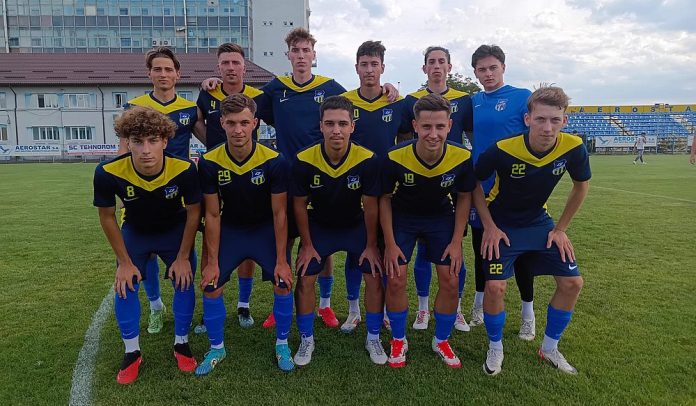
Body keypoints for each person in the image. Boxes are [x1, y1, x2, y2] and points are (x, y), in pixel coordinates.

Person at [476, 86, 590, 376]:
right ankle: (495, 347)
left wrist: (561, 229)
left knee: (572, 283)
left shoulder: (573, 146)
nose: (547, 128)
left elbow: (581, 186)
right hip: (502, 224)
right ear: (528, 119)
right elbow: (473, 184)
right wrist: (489, 226)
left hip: (539, 222)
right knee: (495, 287)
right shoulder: (503, 149)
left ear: (564, 121)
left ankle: (549, 348)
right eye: (540, 119)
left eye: (555, 120)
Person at [94, 106, 201, 384]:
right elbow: (107, 217)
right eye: (137, 141)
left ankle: (181, 343)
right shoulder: (107, 171)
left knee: (184, 279)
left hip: (174, 232)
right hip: (136, 233)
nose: (145, 150)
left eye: (153, 140)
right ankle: (132, 352)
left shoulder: (185, 168)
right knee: (125, 284)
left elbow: (194, 213)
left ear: (165, 141)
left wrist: (183, 257)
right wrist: (124, 262)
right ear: (127, 142)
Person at [196, 94, 295, 374]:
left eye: (244, 122)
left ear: (255, 123)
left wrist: (282, 260)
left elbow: (280, 214)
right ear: (222, 124)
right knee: (211, 283)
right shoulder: (209, 162)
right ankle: (217, 347)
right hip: (232, 230)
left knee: (283, 281)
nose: (238, 130)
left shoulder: (274, 160)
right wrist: (211, 261)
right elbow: (212, 214)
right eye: (231, 123)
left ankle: (282, 344)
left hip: (264, 230)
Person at [381, 93, 476, 368]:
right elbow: (384, 199)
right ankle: (398, 338)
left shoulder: (462, 156)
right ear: (415, 126)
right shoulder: (395, 156)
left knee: (451, 278)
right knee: (395, 277)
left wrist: (456, 241)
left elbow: (464, 197)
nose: (433, 134)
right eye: (426, 127)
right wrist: (389, 243)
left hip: (440, 218)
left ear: (449, 125)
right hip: (403, 218)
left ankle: (441, 339)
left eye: (439, 127)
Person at [292, 95, 385, 366]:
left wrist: (371, 245)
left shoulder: (367, 159)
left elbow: (371, 207)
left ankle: (373, 336)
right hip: (320, 227)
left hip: (355, 225)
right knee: (305, 278)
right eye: (330, 123)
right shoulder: (304, 159)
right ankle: (306, 338)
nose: (336, 130)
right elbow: (299, 205)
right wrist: (307, 244)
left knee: (374, 276)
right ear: (320, 125)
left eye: (342, 124)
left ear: (352, 127)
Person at [118, 47, 203, 335]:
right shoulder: (135, 106)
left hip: (178, 194)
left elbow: (214, 141)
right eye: (157, 69)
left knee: (182, 255)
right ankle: (156, 306)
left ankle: (183, 320)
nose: (163, 74)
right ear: (149, 74)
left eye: (168, 69)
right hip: (141, 192)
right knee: (146, 254)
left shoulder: (190, 109)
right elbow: (123, 151)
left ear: (178, 74)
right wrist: (121, 188)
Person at [194, 42, 274, 331]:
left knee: (247, 236)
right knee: (210, 235)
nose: (230, 68)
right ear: (218, 67)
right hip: (215, 172)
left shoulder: (259, 96)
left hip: (250, 171)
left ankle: (243, 304)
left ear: (244, 67)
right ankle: (209, 306)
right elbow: (196, 121)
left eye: (235, 62)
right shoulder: (208, 93)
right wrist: (212, 145)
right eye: (225, 63)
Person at [401, 46, 474, 332]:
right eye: (431, 62)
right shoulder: (411, 100)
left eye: (441, 61)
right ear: (424, 68)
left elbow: (471, 136)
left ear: (449, 67)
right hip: (422, 178)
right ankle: (422, 308)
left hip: (454, 177)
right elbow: (404, 139)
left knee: (454, 248)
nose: (436, 66)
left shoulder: (464, 100)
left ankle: (456, 308)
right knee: (423, 247)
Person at [468, 44, 537, 341]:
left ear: (503, 68)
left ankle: (528, 314)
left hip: (514, 188)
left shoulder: (522, 97)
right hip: (480, 186)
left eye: (492, 67)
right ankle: (478, 307)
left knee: (520, 254)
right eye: (482, 69)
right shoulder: (473, 101)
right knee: (481, 248)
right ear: (475, 73)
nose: (488, 74)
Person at [339, 40, 408, 333]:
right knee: (356, 250)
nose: (369, 70)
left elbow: (406, 138)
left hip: (387, 189)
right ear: (356, 68)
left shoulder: (397, 102)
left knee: (385, 249)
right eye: (364, 64)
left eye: (374, 64)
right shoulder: (344, 102)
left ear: (382, 68)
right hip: (353, 187)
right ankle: (354, 310)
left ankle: (388, 311)